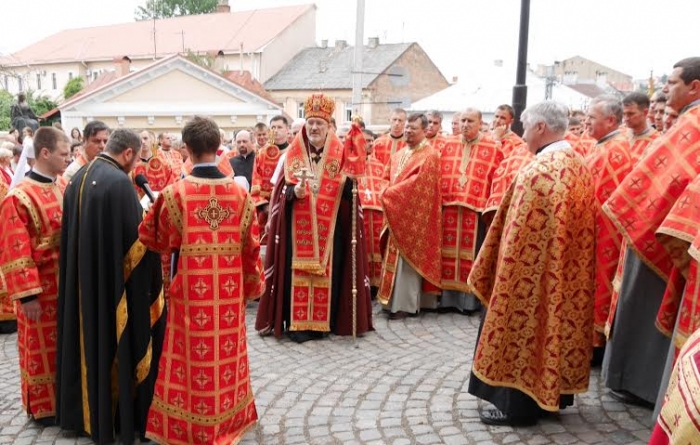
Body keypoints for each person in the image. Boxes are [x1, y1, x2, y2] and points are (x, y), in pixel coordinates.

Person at [467, 100, 596, 426]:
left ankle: (517, 406)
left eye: (525, 126)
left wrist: (500, 276)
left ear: (541, 127)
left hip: (529, 279)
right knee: (554, 327)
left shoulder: (538, 172)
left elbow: (514, 238)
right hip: (565, 276)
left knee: (525, 330)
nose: (521, 134)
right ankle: (548, 396)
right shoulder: (577, 164)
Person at [139, 116, 264, 444]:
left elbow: (152, 237)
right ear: (217, 146)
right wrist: (251, 288)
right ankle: (228, 421)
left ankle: (189, 424)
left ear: (187, 150)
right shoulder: (240, 196)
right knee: (226, 354)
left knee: (188, 356)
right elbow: (252, 248)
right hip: (228, 293)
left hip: (189, 292)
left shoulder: (174, 193)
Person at [56, 129, 166, 444]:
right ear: (129, 154)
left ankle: (82, 416)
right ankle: (116, 417)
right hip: (109, 290)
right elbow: (136, 245)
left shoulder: (78, 177)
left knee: (85, 343)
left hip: (84, 282)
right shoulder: (118, 183)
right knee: (108, 347)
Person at [602, 57, 700, 408]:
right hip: (653, 224)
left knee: (647, 303)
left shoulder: (694, 123)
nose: (664, 89)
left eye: (672, 82)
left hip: (662, 231)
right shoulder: (687, 120)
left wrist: (640, 212)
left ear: (695, 87)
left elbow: (675, 180)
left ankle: (640, 384)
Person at [255, 93, 373, 342]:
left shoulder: (341, 155)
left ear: (329, 125)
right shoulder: (292, 155)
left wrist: (353, 181)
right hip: (296, 235)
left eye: (319, 123)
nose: (314, 128)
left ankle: (325, 324)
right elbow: (279, 195)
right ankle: (297, 326)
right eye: (310, 123)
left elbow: (351, 199)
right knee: (294, 278)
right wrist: (292, 193)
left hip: (332, 235)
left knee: (332, 275)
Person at [0, 127, 70, 425]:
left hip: (65, 283)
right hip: (40, 290)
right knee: (40, 350)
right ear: (45, 153)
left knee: (64, 347)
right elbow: (15, 250)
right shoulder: (18, 197)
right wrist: (28, 294)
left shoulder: (62, 185)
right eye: (64, 154)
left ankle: (67, 401)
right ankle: (43, 409)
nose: (68, 159)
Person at [377, 113, 443, 319]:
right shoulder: (398, 155)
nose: (408, 131)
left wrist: (391, 194)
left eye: (413, 128)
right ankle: (389, 304)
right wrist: (385, 192)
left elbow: (420, 186)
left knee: (407, 263)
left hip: (415, 218)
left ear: (424, 131)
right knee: (394, 260)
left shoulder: (430, 155)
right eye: (406, 128)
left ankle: (405, 305)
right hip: (395, 213)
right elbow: (385, 178)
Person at [437, 108, 503, 314]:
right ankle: (447, 299)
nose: (465, 124)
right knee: (446, 254)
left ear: (480, 122)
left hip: (476, 211)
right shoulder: (447, 145)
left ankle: (469, 302)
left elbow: (498, 181)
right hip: (448, 208)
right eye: (463, 120)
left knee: (472, 255)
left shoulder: (493, 148)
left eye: (470, 121)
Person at [584, 95, 633, 353]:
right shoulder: (602, 145)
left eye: (592, 117)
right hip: (595, 232)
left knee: (599, 284)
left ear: (611, 120)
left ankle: (595, 343)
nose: (586, 121)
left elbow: (602, 199)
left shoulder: (614, 151)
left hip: (603, 236)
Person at [251, 116, 290, 240]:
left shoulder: (293, 153)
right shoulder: (262, 154)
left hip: (288, 207)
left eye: (279, 127)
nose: (276, 130)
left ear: (287, 129)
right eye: (273, 127)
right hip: (265, 210)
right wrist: (264, 205)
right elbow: (255, 181)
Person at [622, 92, 659, 164]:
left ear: (645, 112)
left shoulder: (656, 140)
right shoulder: (620, 135)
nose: (626, 118)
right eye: (624, 114)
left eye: (631, 114)